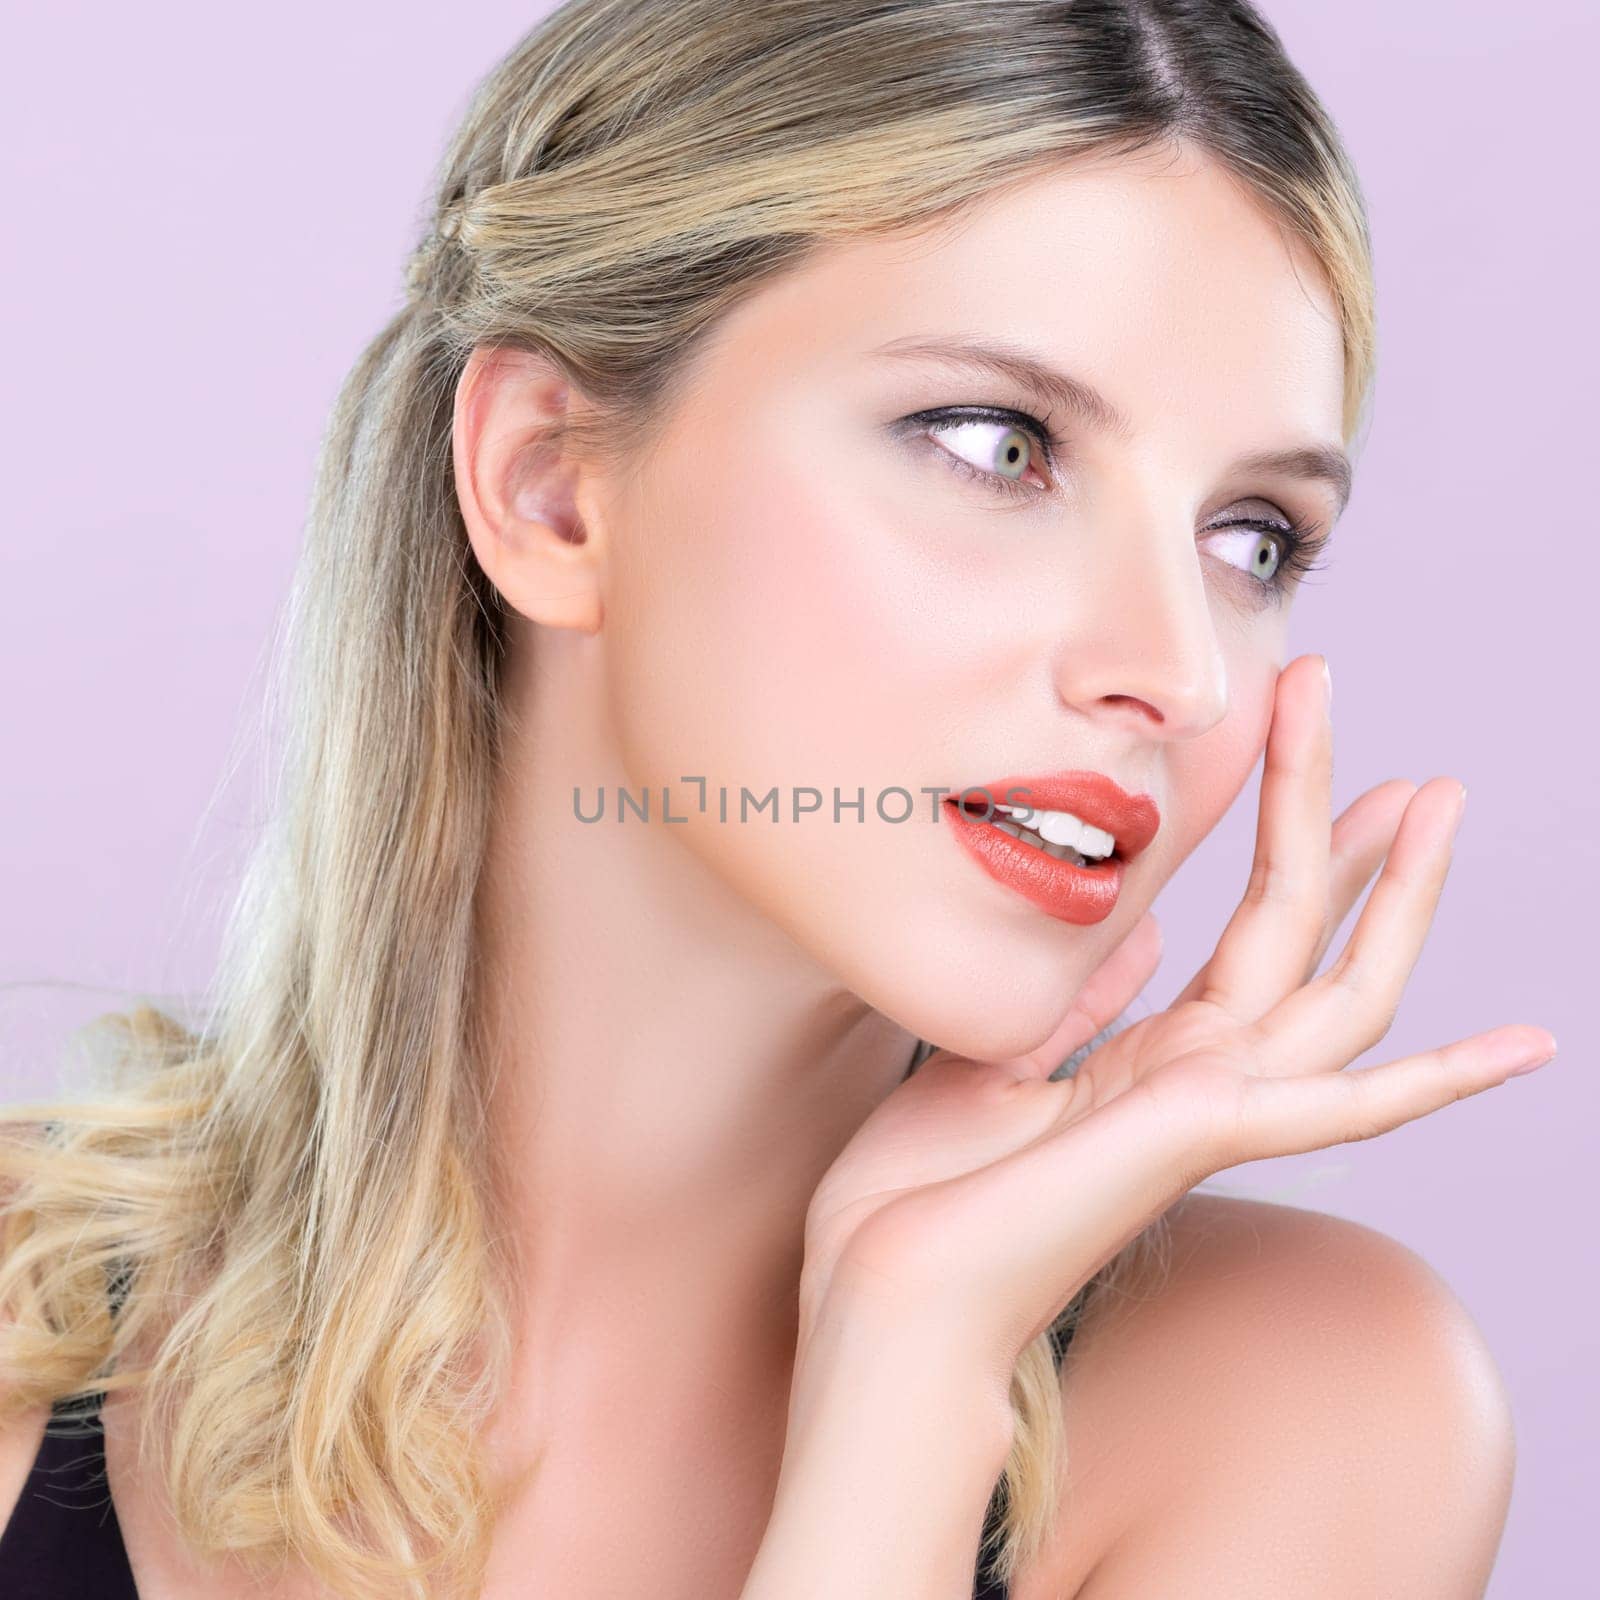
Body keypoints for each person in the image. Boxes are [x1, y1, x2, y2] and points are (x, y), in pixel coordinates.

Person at [0, 1, 1557, 1596]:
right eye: (995, 442)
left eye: (1253, 540)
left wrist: (916, 1369)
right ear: (552, 487)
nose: (1180, 673)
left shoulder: (1302, 1407)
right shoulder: (18, 1310)